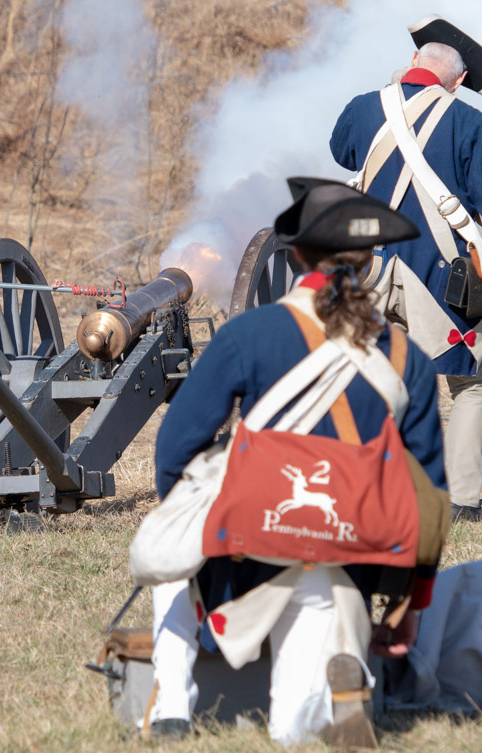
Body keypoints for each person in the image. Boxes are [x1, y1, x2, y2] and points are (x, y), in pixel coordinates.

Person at [147, 178, 447, 746]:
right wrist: (408, 601)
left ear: (298, 256)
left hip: (248, 548)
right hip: (348, 557)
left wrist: (189, 523)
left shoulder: (247, 335)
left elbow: (174, 449)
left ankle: (172, 704)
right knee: (294, 732)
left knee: (173, 539)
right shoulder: (408, 358)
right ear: (368, 261)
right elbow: (430, 496)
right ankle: (341, 681)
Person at [329, 16, 482, 521]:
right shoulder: (470, 122)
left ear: (412, 64)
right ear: (456, 83)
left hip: (365, 272)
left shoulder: (365, 108)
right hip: (439, 278)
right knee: (470, 385)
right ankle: (462, 504)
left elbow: (341, 150)